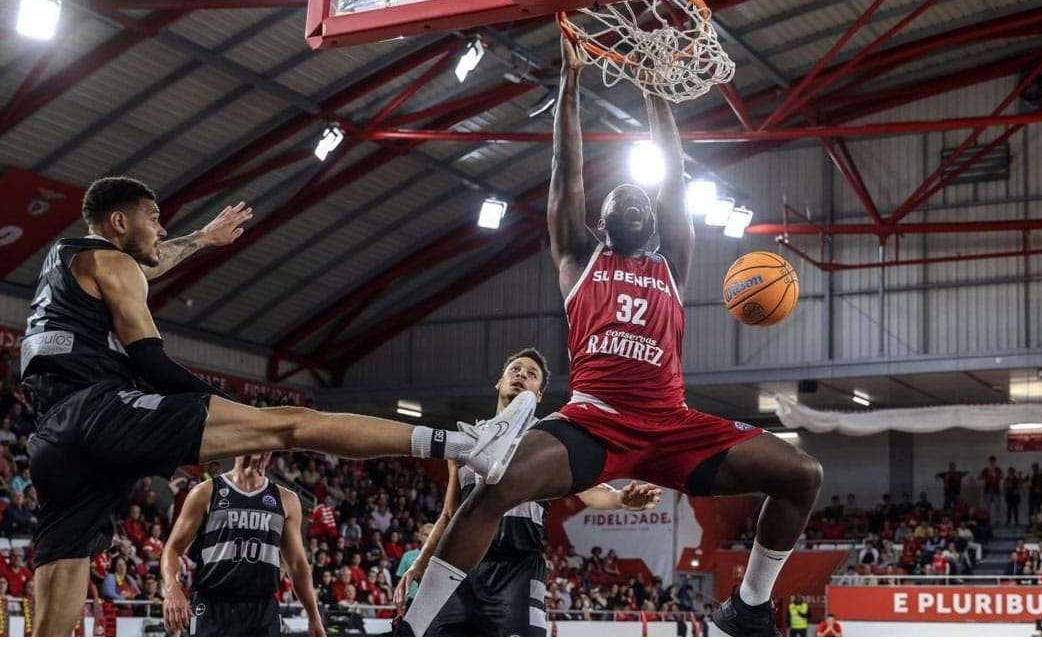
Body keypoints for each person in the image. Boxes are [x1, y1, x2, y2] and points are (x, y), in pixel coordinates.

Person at [398, 34, 823, 638]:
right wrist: (569, 87)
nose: (635, 202)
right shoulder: (579, 259)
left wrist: (655, 91)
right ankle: (408, 630)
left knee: (802, 475)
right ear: (599, 223)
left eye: (642, 202)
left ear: (653, 222)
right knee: (495, 486)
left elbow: (672, 177)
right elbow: (564, 173)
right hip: (594, 424)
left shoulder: (671, 262)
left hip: (672, 427)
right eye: (621, 199)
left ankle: (748, 605)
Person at [19, 177, 536, 634]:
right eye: (153, 219)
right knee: (292, 425)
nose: (160, 228)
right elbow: (152, 363)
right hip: (100, 411)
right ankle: (464, 442)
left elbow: (149, 264)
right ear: (118, 221)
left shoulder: (66, 260)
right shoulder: (114, 262)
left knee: (62, 582)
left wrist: (202, 239)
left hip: (52, 438)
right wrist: (238, 410)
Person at [397, 348, 661, 636]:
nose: (521, 375)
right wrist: (419, 566)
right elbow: (449, 515)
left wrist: (621, 499)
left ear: (538, 396)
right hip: (461, 570)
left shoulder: (550, 443)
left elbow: (590, 492)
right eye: (515, 370)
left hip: (518, 570)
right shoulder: (465, 442)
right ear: (499, 382)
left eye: (532, 375)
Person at [161, 451, 324, 637]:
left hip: (262, 609)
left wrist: (314, 615)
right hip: (213, 606)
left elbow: (297, 565)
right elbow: (173, 549)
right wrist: (171, 588)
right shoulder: (206, 491)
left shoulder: (286, 499)